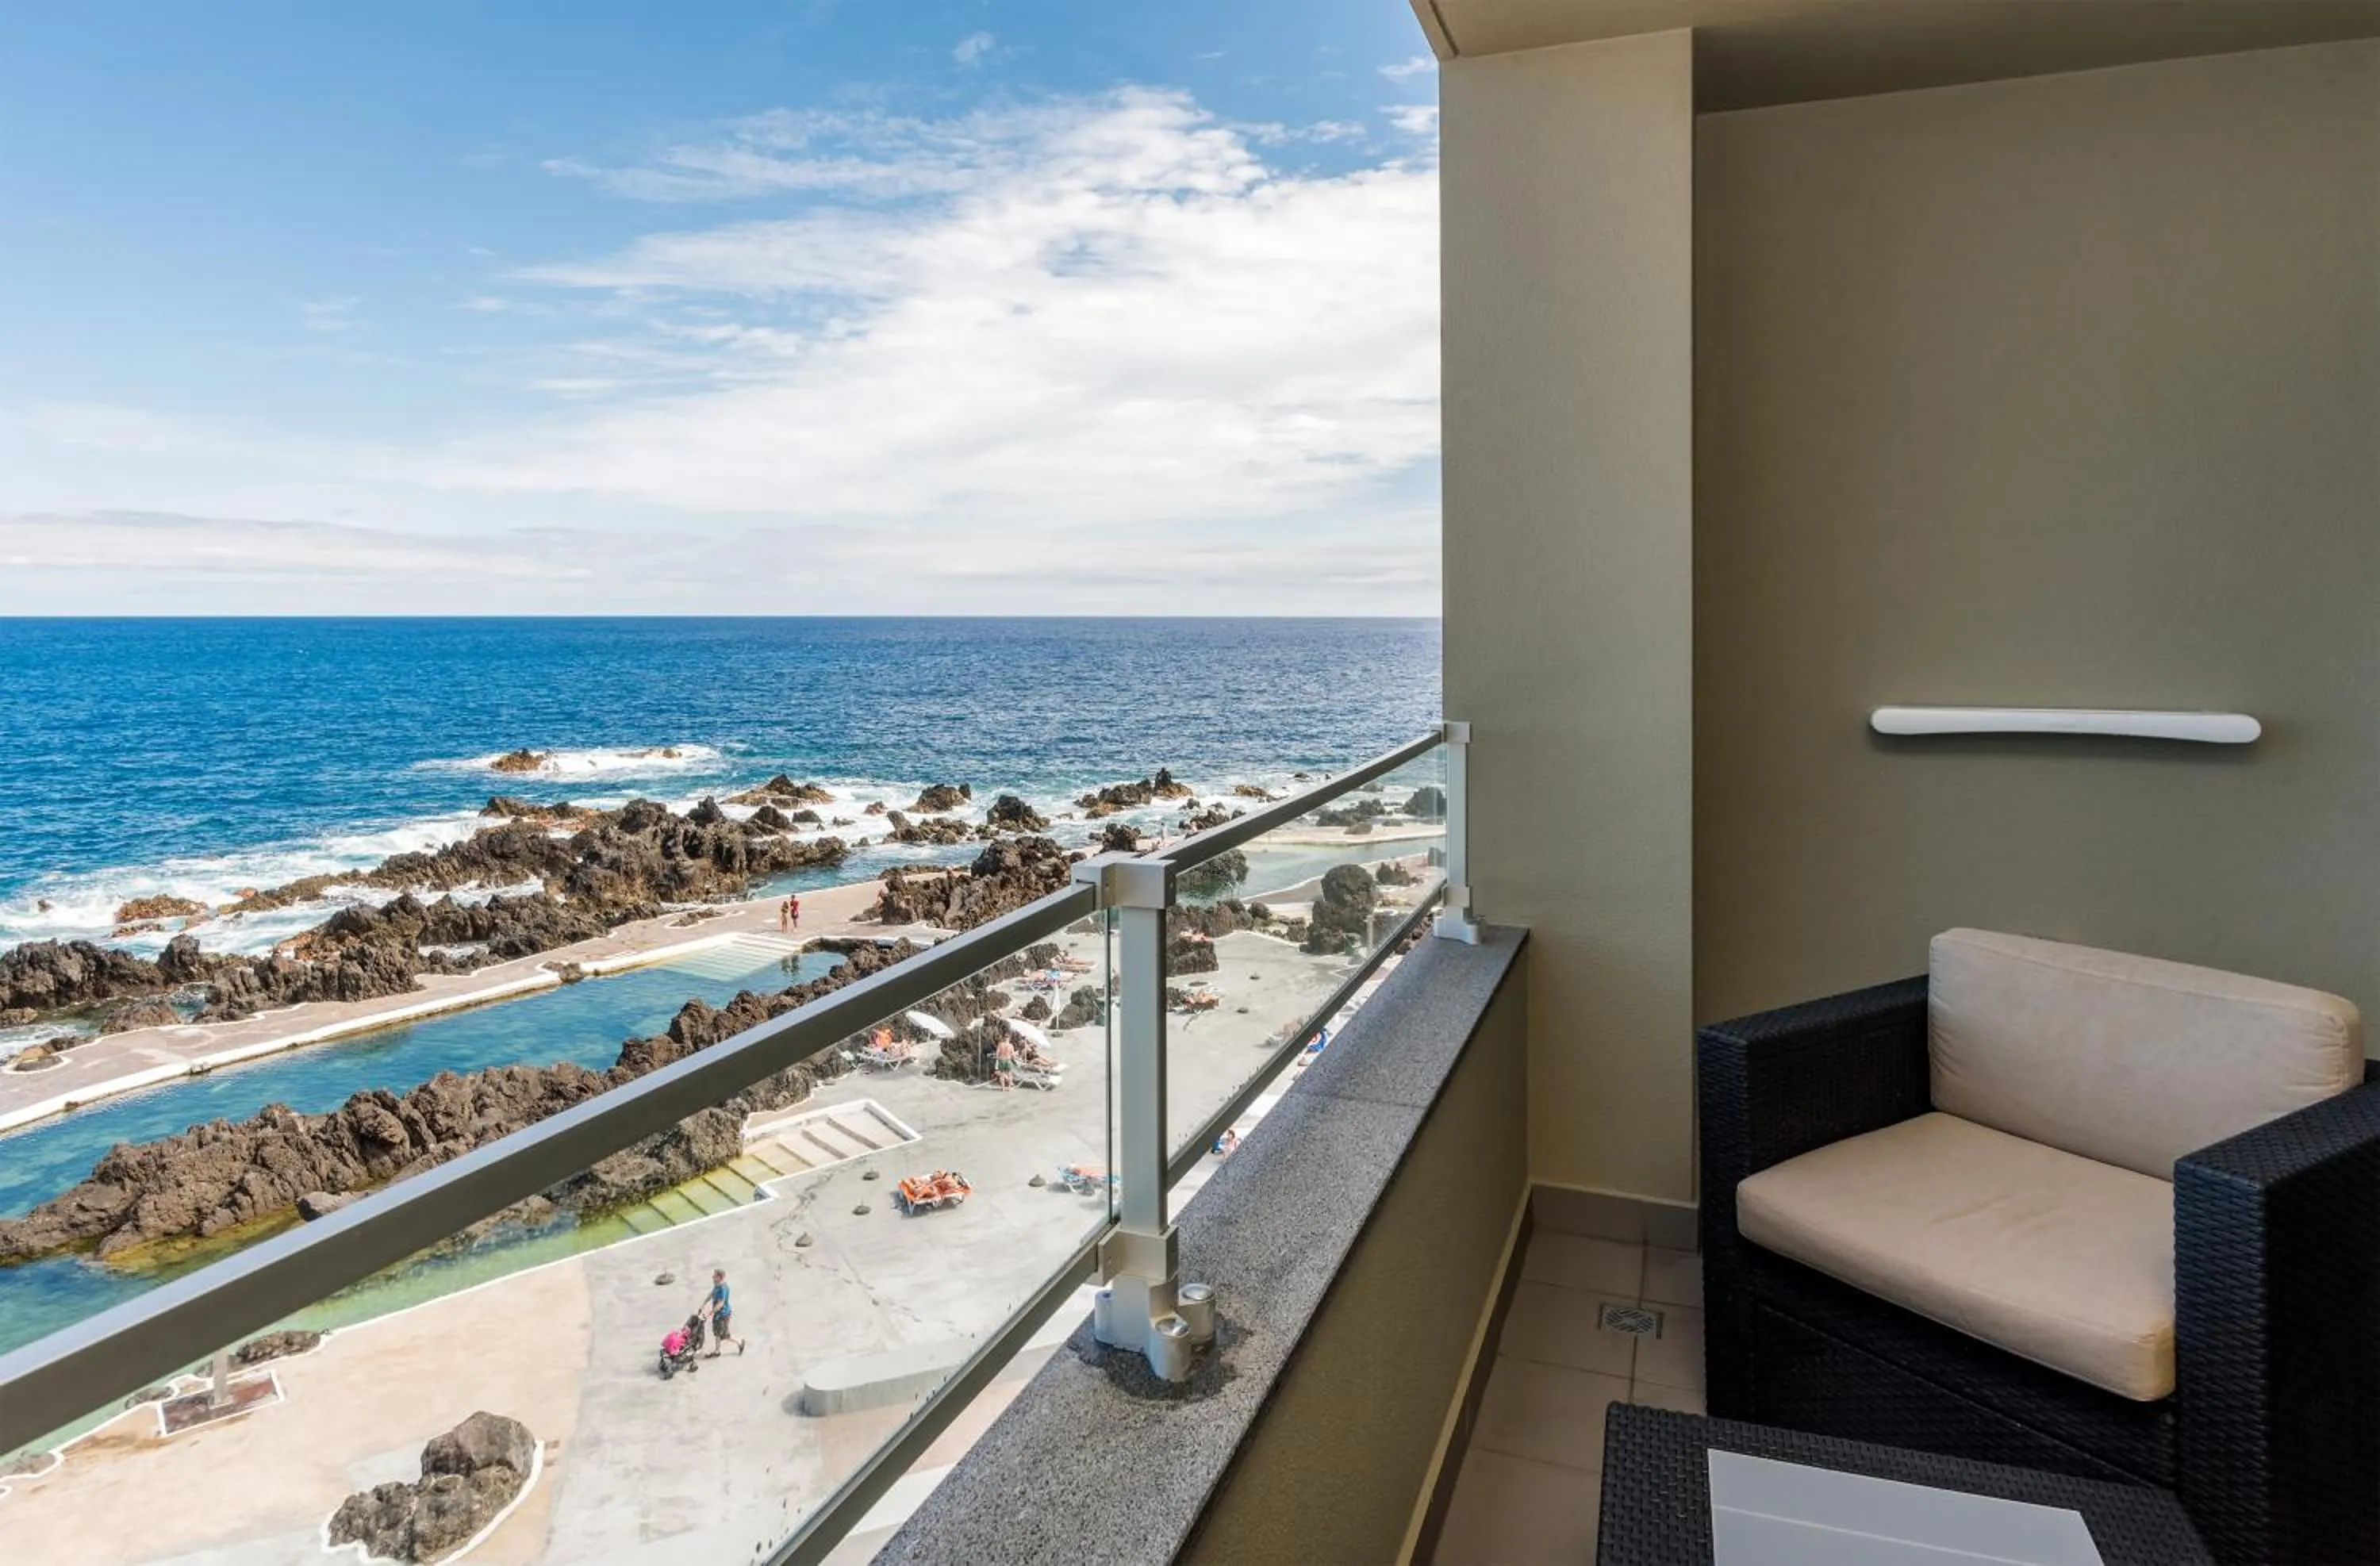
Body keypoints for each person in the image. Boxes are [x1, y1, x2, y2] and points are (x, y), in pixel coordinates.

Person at [703, 1269, 744, 1357]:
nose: (712, 1277)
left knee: (725, 1335)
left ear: (719, 1277)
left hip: (723, 1315)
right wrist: (705, 1302)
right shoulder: (717, 1285)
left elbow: (721, 1303)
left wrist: (711, 1312)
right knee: (717, 1333)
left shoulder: (723, 1288)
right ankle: (717, 1351)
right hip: (718, 1314)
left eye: (714, 1275)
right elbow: (712, 1294)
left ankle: (740, 1342)